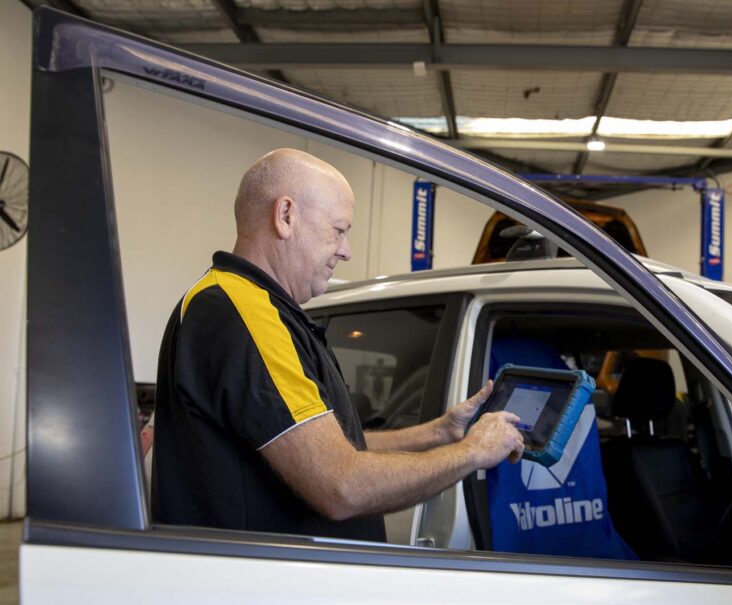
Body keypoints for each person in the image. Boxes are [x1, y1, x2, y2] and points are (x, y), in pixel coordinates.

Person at [152, 149, 524, 541]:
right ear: (286, 216)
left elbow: (322, 448)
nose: (346, 250)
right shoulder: (241, 312)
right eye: (339, 229)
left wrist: (438, 433)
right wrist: (473, 453)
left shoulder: (250, 307)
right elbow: (340, 484)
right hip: (264, 592)